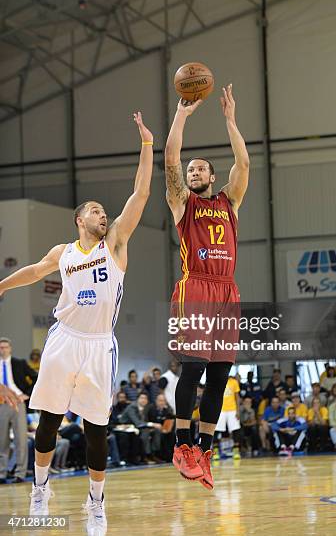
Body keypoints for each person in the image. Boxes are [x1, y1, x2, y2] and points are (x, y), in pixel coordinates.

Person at [0, 112, 153, 532]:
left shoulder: (116, 242)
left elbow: (140, 194)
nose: (104, 217)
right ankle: (39, 491)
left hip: (99, 343)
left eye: (105, 213)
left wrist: (146, 146)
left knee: (96, 429)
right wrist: (2, 286)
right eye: (97, 212)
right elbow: (33, 271)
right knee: (49, 420)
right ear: (79, 219)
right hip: (64, 338)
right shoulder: (63, 252)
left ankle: (96, 502)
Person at [165, 84, 249, 490]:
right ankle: (182, 446)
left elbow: (244, 165)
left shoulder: (228, 203)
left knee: (219, 375)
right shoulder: (184, 203)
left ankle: (206, 450)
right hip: (195, 288)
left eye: (200, 169)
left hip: (228, 291)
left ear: (213, 177)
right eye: (191, 169)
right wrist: (182, 115)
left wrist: (230, 121)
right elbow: (170, 160)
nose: (194, 172)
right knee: (194, 368)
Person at [0, 337, 38, 484]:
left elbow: (36, 377)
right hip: (1, 404)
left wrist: (27, 394)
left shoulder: (19, 363)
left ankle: (20, 473)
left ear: (10, 349)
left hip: (17, 403)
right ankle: (2, 473)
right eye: (0, 347)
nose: (3, 349)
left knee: (21, 440)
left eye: (5, 347)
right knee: (1, 440)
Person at [214, 375, 242, 461]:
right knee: (216, 430)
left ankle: (236, 451)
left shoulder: (234, 382)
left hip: (232, 409)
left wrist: (238, 410)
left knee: (236, 430)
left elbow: (237, 397)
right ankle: (216, 452)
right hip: (220, 409)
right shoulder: (217, 381)